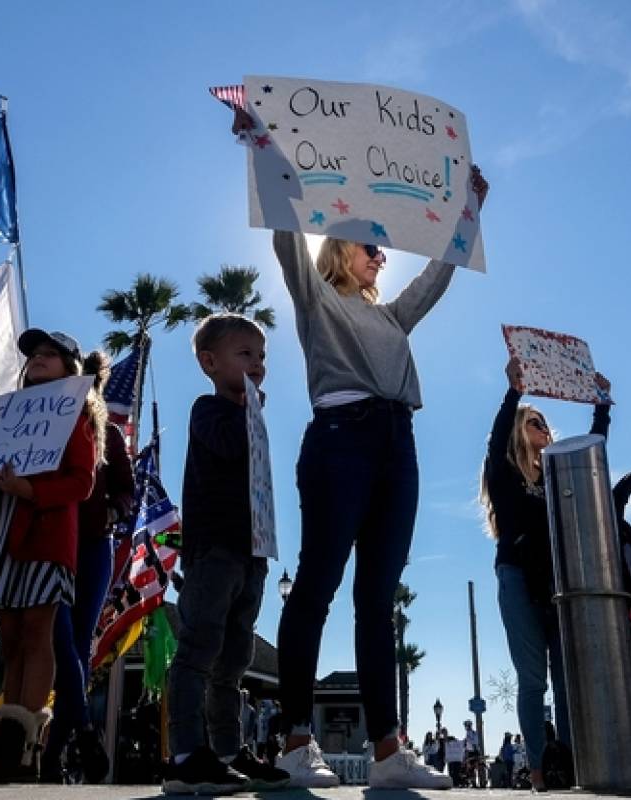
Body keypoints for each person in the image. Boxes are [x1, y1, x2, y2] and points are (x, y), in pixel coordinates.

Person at [228, 102, 488, 791]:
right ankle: (294, 741)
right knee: (317, 583)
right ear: (340, 251)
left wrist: (468, 210)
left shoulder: (392, 316)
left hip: (397, 446)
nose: (382, 254)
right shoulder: (319, 301)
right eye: (371, 243)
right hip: (340, 443)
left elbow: (436, 274)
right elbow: (287, 234)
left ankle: (387, 751)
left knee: (378, 595)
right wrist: (263, 150)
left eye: (383, 247)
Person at [0, 328, 102, 784]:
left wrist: (29, 489)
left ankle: (21, 742)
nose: (39, 360)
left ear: (70, 368)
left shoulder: (76, 415)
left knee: (37, 629)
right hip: (0, 538)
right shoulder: (0, 416)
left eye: (51, 355)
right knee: (9, 635)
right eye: (34, 355)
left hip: (45, 536)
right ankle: (8, 744)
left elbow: (81, 482)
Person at [161, 314, 292, 794]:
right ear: (210, 363)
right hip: (213, 550)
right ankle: (185, 754)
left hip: (250, 553)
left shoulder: (249, 415)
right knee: (199, 649)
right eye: (246, 355)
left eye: (261, 357)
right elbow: (228, 447)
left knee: (235, 657)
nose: (257, 365)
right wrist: (248, 410)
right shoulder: (210, 410)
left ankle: (227, 751)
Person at [481, 356, 609, 790]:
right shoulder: (504, 473)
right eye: (535, 422)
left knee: (567, 675)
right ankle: (538, 768)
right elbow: (497, 441)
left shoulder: (556, 478)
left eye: (545, 423)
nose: (545, 429)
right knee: (533, 678)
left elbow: (589, 461)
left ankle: (572, 763)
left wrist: (602, 406)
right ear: (520, 429)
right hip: (517, 577)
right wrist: (514, 392)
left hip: (558, 583)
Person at [42, 350, 133, 784]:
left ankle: (53, 753)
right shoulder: (44, 424)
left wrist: (115, 509)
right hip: (51, 540)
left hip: (94, 545)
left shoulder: (110, 435)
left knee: (80, 645)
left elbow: (126, 490)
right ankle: (84, 732)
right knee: (62, 643)